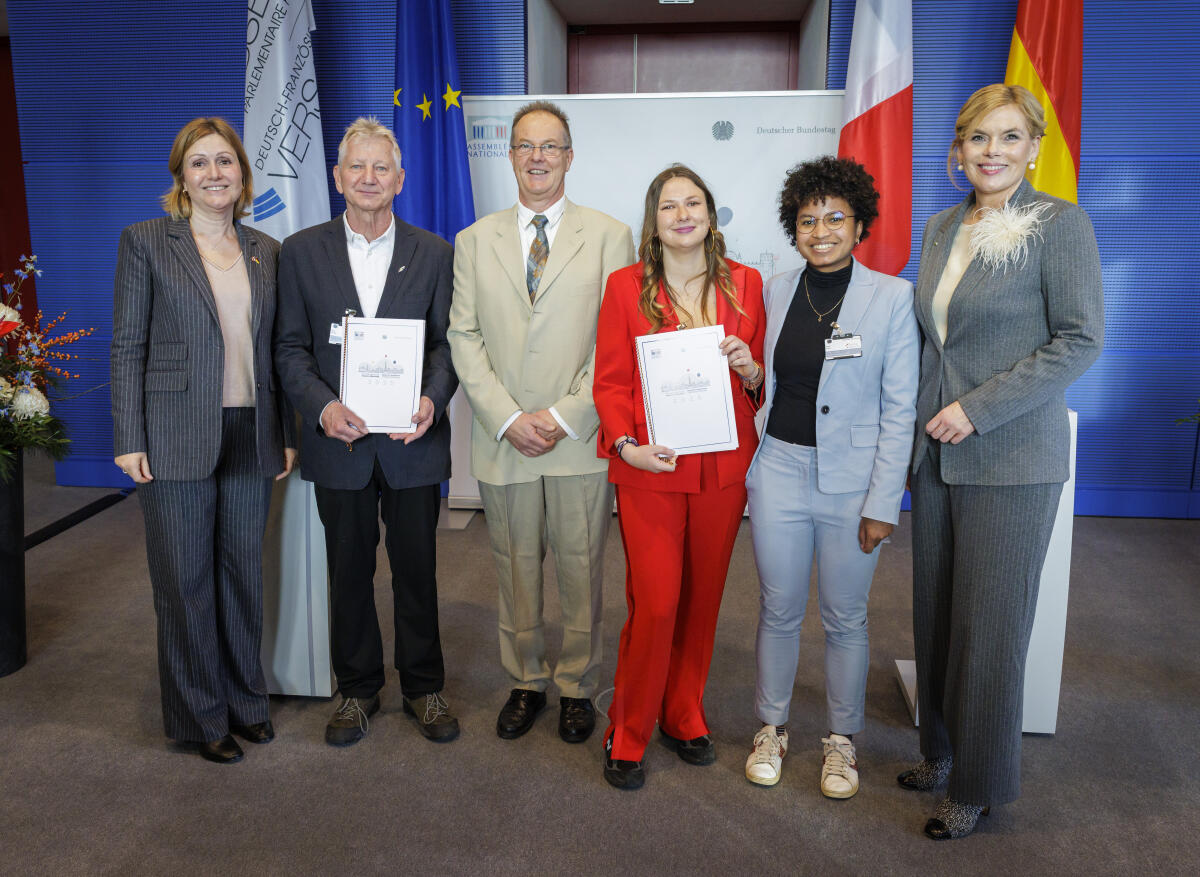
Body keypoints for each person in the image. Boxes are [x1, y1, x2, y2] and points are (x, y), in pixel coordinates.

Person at [903, 83, 1103, 839]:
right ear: (959, 149)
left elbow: (1080, 340)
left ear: (1034, 148)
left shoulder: (1061, 225)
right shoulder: (940, 226)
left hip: (1013, 458)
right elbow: (935, 343)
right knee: (936, 614)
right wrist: (913, 438)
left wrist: (976, 409)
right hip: (938, 458)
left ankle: (980, 785)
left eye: (1010, 137)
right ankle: (942, 752)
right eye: (980, 138)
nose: (993, 151)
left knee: (990, 628)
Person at [112, 117, 297, 764]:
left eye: (226, 161)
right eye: (200, 163)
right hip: (172, 435)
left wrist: (288, 433)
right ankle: (201, 716)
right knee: (185, 583)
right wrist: (129, 434)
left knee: (244, 576)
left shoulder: (267, 250)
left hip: (252, 432)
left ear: (243, 175)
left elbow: (279, 352)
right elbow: (129, 343)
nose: (214, 173)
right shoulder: (146, 243)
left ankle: (248, 703)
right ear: (181, 177)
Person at [449, 101, 634, 745]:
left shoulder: (611, 236)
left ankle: (577, 686)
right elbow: (463, 336)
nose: (537, 158)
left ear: (569, 155)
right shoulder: (474, 241)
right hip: (505, 443)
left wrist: (560, 415)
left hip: (577, 439)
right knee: (513, 567)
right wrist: (507, 418)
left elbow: (615, 344)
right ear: (510, 156)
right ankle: (525, 681)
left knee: (582, 571)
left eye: (550, 146)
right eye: (525, 146)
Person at [274, 117, 460, 747]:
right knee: (347, 572)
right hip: (340, 444)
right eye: (358, 167)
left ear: (400, 179)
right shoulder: (300, 252)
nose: (369, 178)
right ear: (337, 177)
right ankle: (357, 690)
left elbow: (447, 347)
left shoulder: (435, 252)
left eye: (382, 167)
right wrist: (322, 408)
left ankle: (423, 687)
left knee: (417, 571)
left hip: (413, 444)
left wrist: (434, 399)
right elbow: (290, 350)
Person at [743, 157, 919, 796]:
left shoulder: (893, 298)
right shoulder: (774, 288)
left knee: (846, 617)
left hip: (853, 484)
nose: (820, 231)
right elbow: (765, 379)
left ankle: (841, 742)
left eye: (835, 218)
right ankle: (772, 728)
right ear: (794, 227)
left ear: (860, 223)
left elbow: (901, 410)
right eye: (807, 219)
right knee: (778, 608)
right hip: (780, 470)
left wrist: (883, 501)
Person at [593, 164, 765, 790]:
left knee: (702, 600)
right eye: (669, 206)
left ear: (711, 215)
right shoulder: (623, 287)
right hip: (650, 468)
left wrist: (750, 369)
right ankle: (630, 726)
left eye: (694, 203)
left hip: (722, 468)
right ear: (654, 220)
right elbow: (610, 381)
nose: (683, 214)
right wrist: (625, 445)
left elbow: (759, 381)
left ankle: (683, 711)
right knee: (657, 601)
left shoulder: (746, 283)